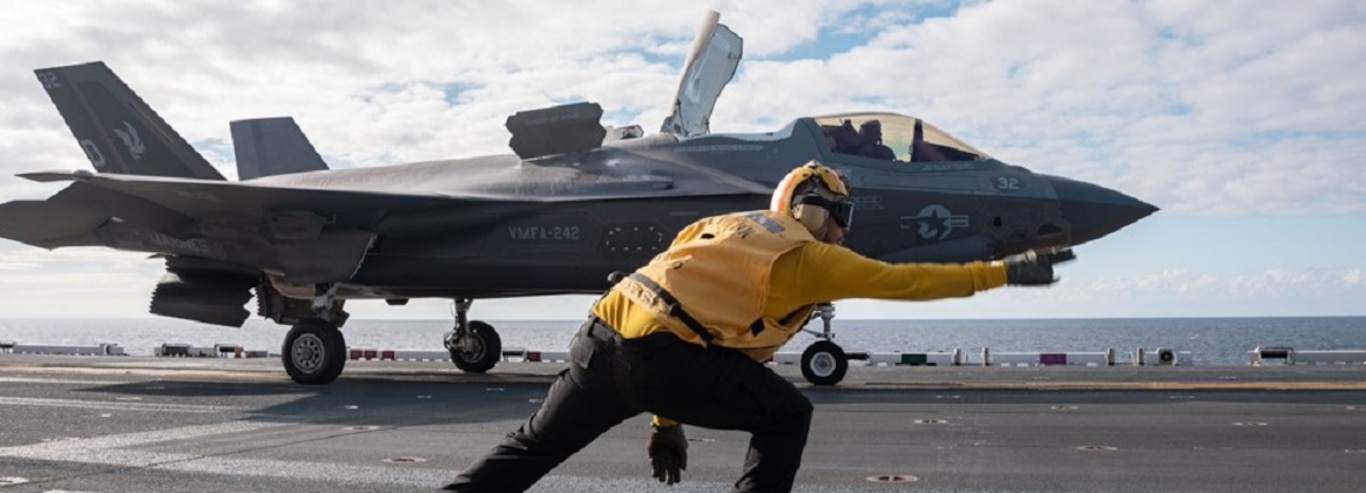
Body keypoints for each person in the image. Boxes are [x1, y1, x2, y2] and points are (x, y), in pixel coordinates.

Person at [442, 161, 1060, 492]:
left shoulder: (716, 225)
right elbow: (909, 282)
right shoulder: (809, 255)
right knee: (787, 415)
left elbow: (675, 308)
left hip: (599, 340)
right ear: (810, 208)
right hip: (665, 360)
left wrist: (663, 424)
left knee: (530, 450)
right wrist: (1003, 274)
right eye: (839, 214)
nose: (843, 230)